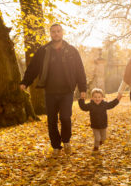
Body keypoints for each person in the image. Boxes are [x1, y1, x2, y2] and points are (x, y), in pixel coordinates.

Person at [20, 24, 87, 156]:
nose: (56, 34)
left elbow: (80, 70)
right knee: (51, 120)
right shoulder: (43, 50)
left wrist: (83, 88)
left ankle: (66, 140)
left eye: (58, 31)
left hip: (67, 91)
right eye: (53, 32)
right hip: (50, 91)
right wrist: (25, 82)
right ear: (50, 34)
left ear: (62, 33)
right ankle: (56, 146)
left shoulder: (72, 50)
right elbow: (33, 67)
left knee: (65, 118)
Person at [78, 88, 121, 152]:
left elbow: (111, 104)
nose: (97, 99)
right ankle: (96, 147)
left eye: (99, 97)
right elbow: (83, 107)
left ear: (102, 97)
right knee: (97, 138)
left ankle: (101, 141)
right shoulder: (90, 105)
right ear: (92, 98)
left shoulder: (104, 104)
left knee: (103, 138)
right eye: (95, 97)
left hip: (103, 125)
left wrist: (117, 99)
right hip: (95, 126)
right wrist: (81, 99)